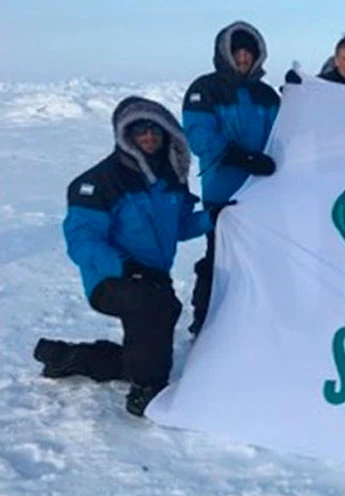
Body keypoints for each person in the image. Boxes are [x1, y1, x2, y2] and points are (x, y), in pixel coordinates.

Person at [33, 96, 212, 417]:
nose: (148, 136)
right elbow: (82, 241)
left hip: (153, 277)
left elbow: (180, 226)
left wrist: (215, 217)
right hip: (110, 279)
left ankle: (69, 358)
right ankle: (146, 389)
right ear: (125, 135)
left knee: (148, 341)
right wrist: (125, 266)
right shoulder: (100, 182)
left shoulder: (170, 178)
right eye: (139, 130)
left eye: (154, 129)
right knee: (155, 308)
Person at [182, 21, 280, 335]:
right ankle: (204, 322)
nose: (243, 58)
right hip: (223, 192)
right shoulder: (205, 89)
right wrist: (239, 157)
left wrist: (298, 98)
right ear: (225, 54)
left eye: (248, 53)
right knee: (218, 260)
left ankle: (255, 320)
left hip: (262, 193)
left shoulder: (266, 95)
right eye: (237, 52)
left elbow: (286, 134)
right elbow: (200, 136)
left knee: (259, 260)